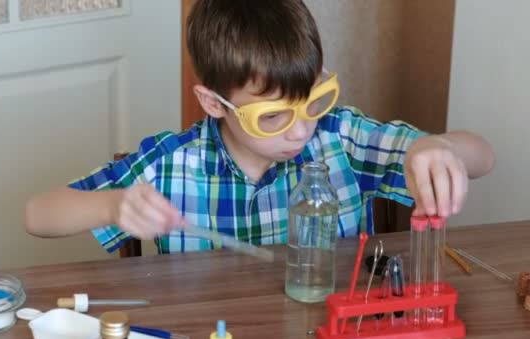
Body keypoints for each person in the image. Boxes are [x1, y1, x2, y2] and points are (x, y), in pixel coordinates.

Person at [24, 0, 494, 254]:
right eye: (272, 116)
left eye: (312, 101)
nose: (300, 130)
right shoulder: (171, 165)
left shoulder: (340, 140)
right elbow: (38, 215)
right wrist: (113, 206)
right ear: (214, 103)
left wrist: (437, 147)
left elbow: (483, 156)